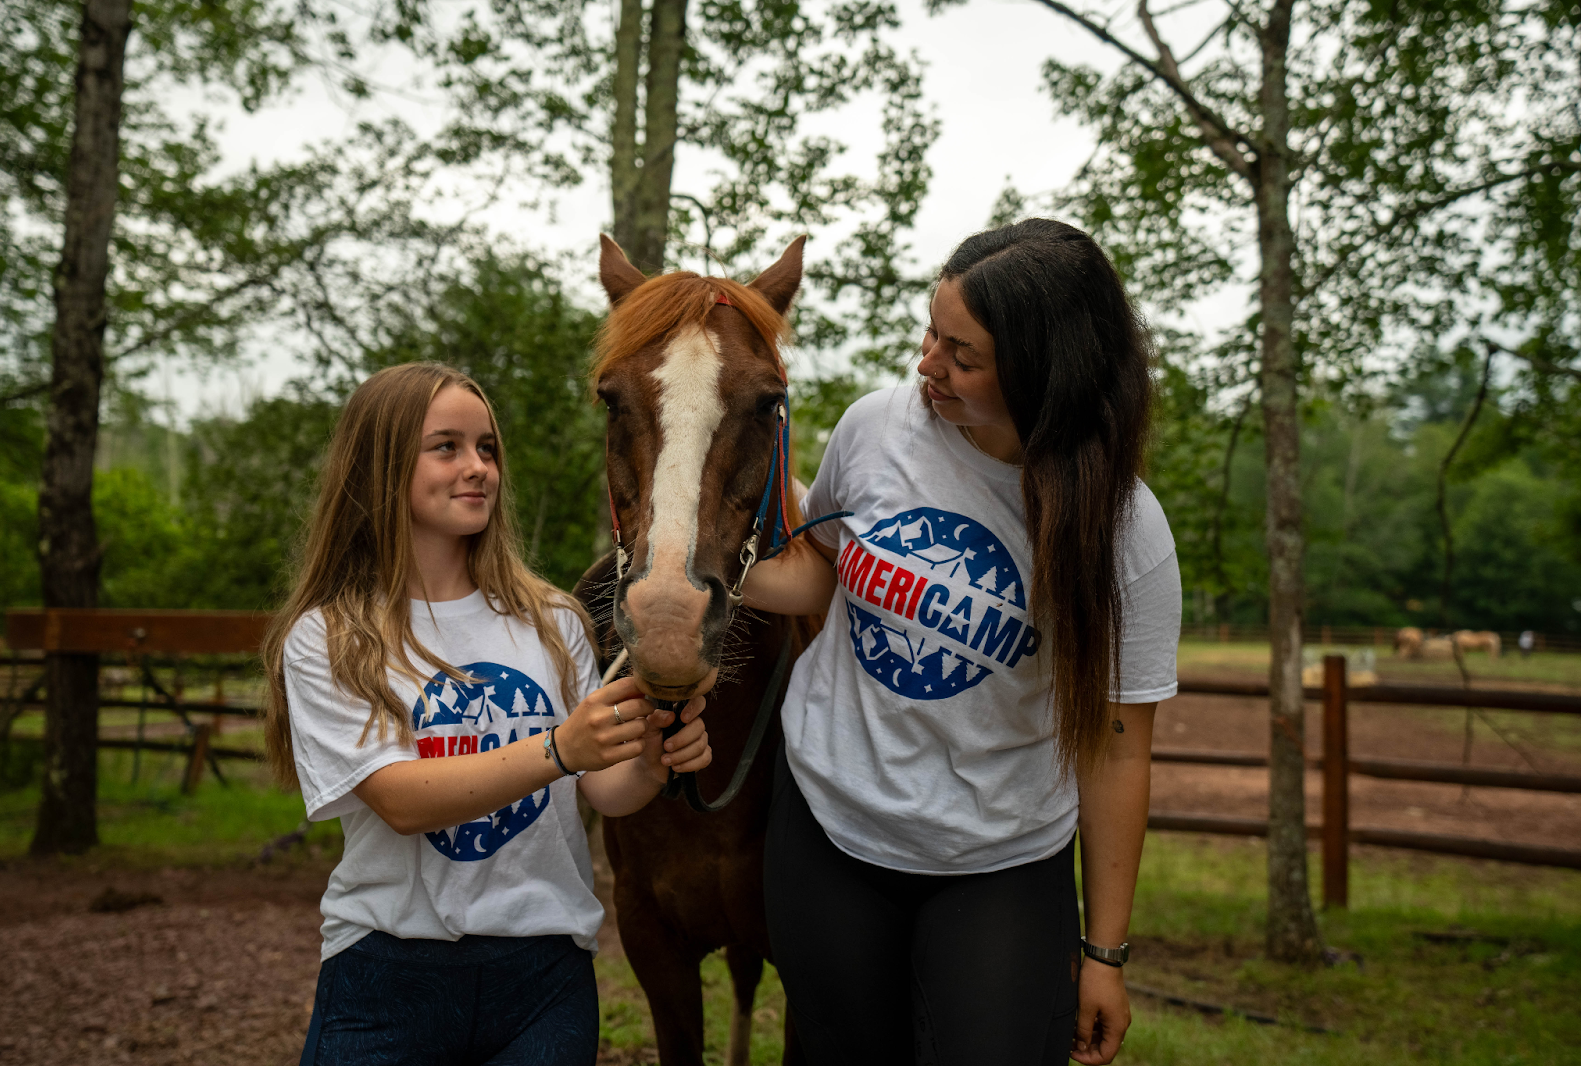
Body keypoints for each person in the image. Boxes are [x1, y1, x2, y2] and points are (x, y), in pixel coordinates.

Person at [744, 219, 1182, 1065]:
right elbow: (819, 574)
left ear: (1043, 373)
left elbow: (1118, 750)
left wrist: (1106, 955)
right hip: (829, 819)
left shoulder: (1125, 531)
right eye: (930, 332)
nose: (926, 365)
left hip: (999, 854)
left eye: (962, 355)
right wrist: (701, 574)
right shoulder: (877, 428)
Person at [261, 362, 713, 1066]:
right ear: (380, 465)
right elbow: (401, 801)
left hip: (543, 979)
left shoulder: (551, 619)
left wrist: (651, 758)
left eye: (487, 448)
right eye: (446, 447)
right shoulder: (331, 635)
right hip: (386, 975)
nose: (476, 468)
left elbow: (603, 791)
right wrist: (560, 748)